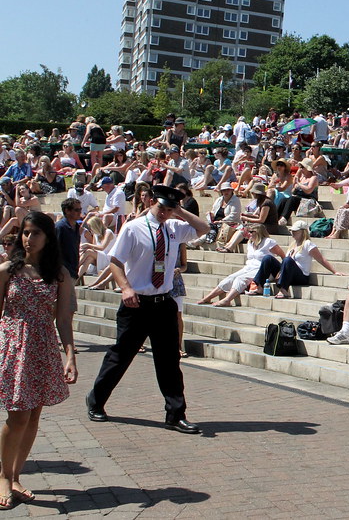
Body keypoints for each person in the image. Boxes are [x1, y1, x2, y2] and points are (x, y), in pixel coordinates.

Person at [86, 185, 209, 435]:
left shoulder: (174, 228)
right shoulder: (133, 228)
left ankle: (176, 415)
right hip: (137, 303)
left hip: (163, 302)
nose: (164, 213)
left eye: (169, 209)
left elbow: (203, 228)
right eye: (161, 207)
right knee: (121, 356)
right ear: (152, 202)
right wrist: (125, 288)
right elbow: (116, 261)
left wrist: (180, 212)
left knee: (169, 361)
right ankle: (96, 400)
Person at [0, 212, 77, 509]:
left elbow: (63, 320)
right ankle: (4, 475)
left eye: (35, 233)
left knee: (33, 416)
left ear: (48, 237)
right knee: (17, 415)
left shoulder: (59, 274)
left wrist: (70, 356)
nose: (28, 239)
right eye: (25, 232)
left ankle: (16, 475)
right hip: (13, 347)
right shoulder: (7, 270)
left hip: (42, 348)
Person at [197, 225, 284, 307]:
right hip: (248, 268)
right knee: (231, 277)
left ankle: (227, 300)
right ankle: (207, 298)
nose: (248, 234)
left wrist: (282, 272)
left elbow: (282, 255)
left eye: (251, 232)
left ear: (258, 232)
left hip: (263, 270)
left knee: (240, 279)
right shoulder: (250, 243)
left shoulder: (268, 242)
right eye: (248, 231)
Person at [256, 221, 341, 299]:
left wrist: (335, 271)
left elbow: (321, 259)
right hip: (289, 273)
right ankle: (260, 287)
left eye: (295, 231)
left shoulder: (308, 244)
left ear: (303, 232)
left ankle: (283, 290)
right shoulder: (293, 244)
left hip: (301, 276)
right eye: (292, 231)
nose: (292, 233)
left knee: (287, 260)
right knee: (268, 258)